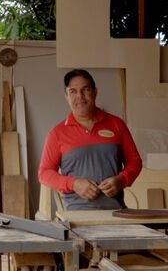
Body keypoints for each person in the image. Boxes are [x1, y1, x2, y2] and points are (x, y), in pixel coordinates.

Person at [38, 69, 142, 210]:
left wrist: (121, 180)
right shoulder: (57, 133)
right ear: (66, 97)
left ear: (95, 92)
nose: (80, 96)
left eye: (85, 89)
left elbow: (135, 162)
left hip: (116, 214)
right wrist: (74, 184)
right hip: (77, 218)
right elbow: (44, 173)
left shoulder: (117, 125)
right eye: (73, 91)